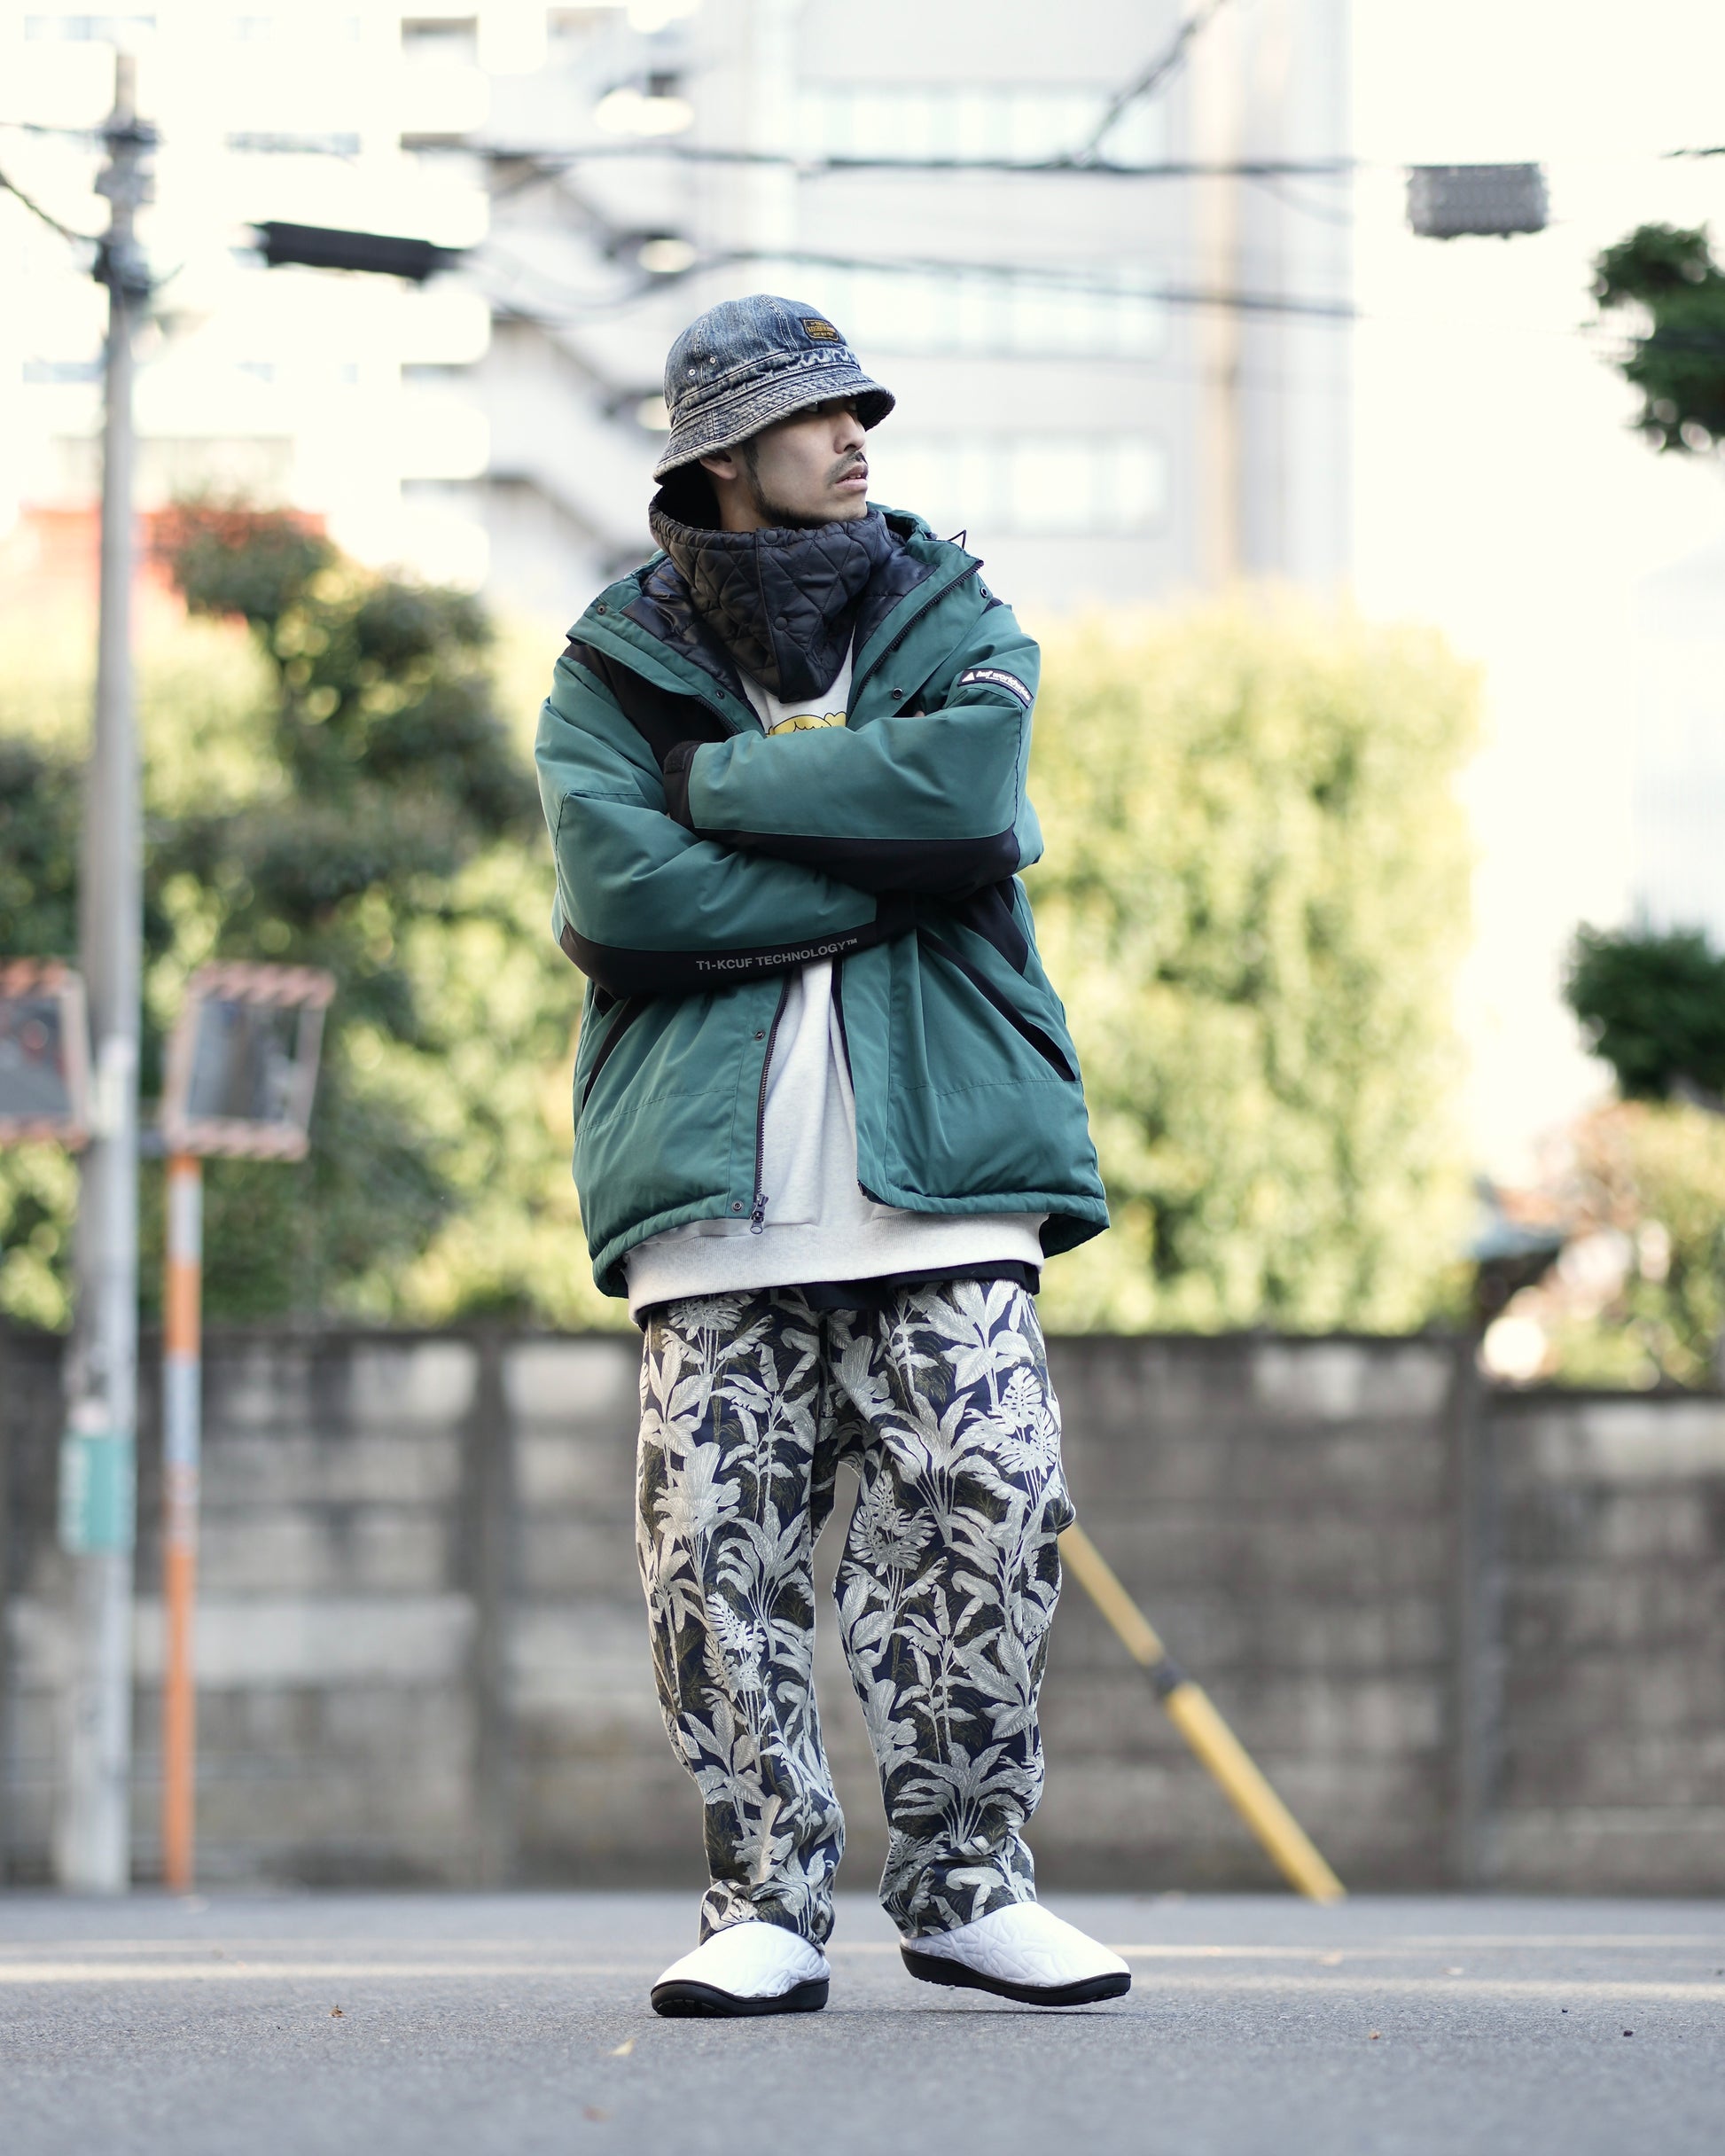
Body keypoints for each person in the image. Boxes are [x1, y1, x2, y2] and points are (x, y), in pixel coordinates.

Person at [535, 294, 1127, 2018]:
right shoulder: (608, 664)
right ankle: (765, 1899)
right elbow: (620, 901)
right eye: (813, 414)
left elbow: (967, 802)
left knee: (992, 1498)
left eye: (858, 407)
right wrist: (879, 860)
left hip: (947, 1170)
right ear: (723, 457)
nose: (854, 435)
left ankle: (966, 1885)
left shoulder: (952, 607)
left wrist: (717, 788)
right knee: (713, 1552)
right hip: (708, 1194)